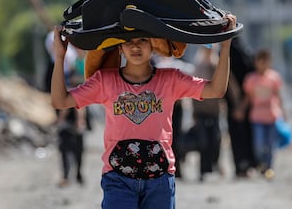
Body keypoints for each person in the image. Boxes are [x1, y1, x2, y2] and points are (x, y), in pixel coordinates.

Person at [51, 14, 236, 209]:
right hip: (118, 179)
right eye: (128, 41)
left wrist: (225, 47)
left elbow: (216, 90)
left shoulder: (170, 79)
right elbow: (60, 100)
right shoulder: (105, 81)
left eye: (142, 40)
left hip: (160, 179)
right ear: (120, 47)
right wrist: (60, 56)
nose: (135, 46)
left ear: (154, 45)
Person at [44, 31, 88, 187]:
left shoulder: (74, 59)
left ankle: (78, 173)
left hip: (76, 106)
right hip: (64, 109)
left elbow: (83, 80)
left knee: (78, 144)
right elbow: (49, 88)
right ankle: (66, 174)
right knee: (64, 144)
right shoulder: (52, 64)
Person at [237, 48, 286, 180]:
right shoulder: (251, 78)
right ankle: (261, 164)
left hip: (272, 116)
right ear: (256, 62)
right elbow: (247, 97)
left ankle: (269, 168)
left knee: (270, 145)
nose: (263, 64)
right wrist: (241, 109)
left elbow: (278, 96)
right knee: (258, 144)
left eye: (265, 61)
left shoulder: (274, 77)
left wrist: (284, 113)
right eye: (260, 61)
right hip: (257, 116)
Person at [224, 37, 257, 178]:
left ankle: (241, 167)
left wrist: (239, 106)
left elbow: (228, 79)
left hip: (237, 104)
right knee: (246, 135)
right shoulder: (246, 53)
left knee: (239, 136)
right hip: (245, 103)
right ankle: (246, 166)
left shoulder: (227, 53)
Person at [190, 44, 223, 181]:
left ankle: (214, 166)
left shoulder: (216, 64)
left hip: (214, 111)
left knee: (216, 140)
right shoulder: (198, 66)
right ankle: (203, 170)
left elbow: (222, 85)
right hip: (200, 112)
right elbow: (193, 88)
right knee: (202, 142)